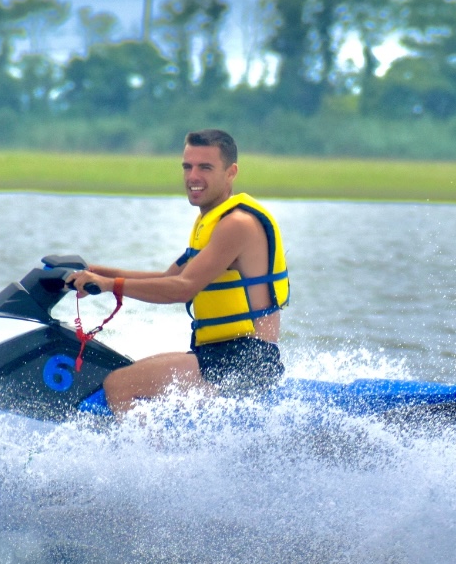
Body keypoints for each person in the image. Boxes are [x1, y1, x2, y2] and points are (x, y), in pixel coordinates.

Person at [66, 129, 290, 415]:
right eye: (187, 166)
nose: (193, 176)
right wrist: (95, 272)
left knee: (119, 385)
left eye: (205, 167)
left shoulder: (237, 224)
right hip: (221, 355)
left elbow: (182, 288)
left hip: (245, 360)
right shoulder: (211, 222)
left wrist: (109, 285)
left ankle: (145, 460)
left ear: (231, 172)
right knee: (125, 368)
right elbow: (167, 278)